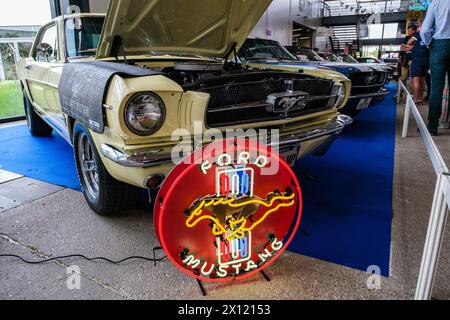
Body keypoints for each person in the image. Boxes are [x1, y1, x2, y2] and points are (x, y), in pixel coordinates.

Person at [420, 0, 450, 136]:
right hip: (441, 44)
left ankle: (432, 127)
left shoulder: (436, 3)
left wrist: (427, 42)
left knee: (437, 87)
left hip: (440, 45)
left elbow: (425, 29)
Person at [402, 26, 430, 105]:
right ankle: (420, 99)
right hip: (426, 60)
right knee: (421, 80)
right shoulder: (431, 33)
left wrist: (414, 46)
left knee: (415, 80)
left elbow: (409, 42)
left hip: (418, 60)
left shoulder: (419, 33)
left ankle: (415, 100)